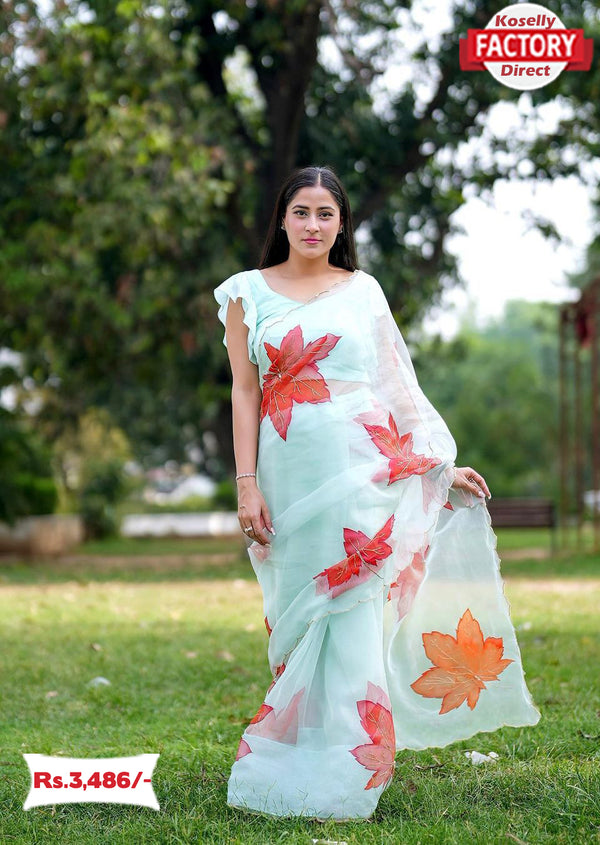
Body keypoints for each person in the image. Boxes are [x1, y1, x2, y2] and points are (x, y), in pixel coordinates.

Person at [213, 164, 540, 821]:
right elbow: (245, 391)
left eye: (325, 214)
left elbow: (395, 389)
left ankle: (348, 765)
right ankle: (299, 746)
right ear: (282, 218)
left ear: (342, 225)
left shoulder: (363, 292)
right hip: (287, 477)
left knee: (354, 607)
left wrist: (438, 470)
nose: (312, 225)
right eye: (301, 211)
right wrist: (245, 483)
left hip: (361, 471)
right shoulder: (246, 293)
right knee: (299, 616)